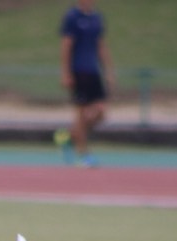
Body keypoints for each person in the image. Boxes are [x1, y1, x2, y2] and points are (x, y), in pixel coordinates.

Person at [55, 0, 112, 167]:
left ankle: (70, 137)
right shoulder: (72, 17)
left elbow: (100, 45)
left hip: (93, 71)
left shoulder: (97, 17)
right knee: (80, 114)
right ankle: (84, 155)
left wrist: (108, 70)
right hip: (78, 72)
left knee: (101, 113)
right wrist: (66, 73)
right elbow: (66, 46)